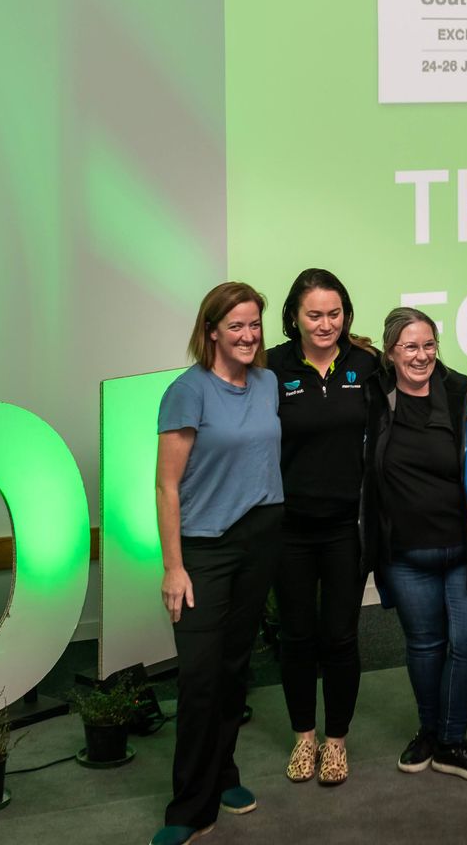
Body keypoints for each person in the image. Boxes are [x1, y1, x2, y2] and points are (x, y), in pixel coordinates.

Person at [366, 307, 467, 783]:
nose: (421, 356)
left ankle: (453, 743)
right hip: (407, 559)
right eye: (410, 347)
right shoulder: (374, 400)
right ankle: (429, 733)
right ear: (391, 352)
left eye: (429, 345)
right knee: (425, 645)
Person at [153, 282, 284, 845]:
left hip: (260, 536)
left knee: (234, 669)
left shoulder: (269, 382)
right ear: (211, 331)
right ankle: (189, 807)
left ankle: (223, 773)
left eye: (254, 325)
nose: (248, 335)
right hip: (205, 547)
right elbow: (166, 485)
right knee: (201, 678)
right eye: (236, 326)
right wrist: (174, 567)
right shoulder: (188, 392)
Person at [264, 269, 384, 785]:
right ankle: (303, 738)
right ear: (294, 316)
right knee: (296, 637)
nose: (325, 324)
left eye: (334, 314)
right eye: (314, 314)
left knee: (339, 637)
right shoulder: (270, 367)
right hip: (288, 529)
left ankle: (335, 742)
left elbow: (425, 384)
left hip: (345, 530)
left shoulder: (366, 364)